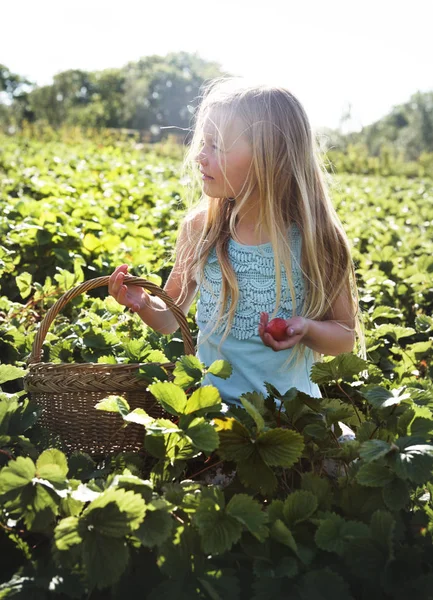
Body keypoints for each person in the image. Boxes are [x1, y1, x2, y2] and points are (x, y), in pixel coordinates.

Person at [108, 78, 365, 407]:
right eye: (204, 142)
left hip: (291, 416)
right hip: (215, 411)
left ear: (268, 158)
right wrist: (143, 304)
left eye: (217, 146)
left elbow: (344, 336)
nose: (200, 156)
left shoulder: (317, 240)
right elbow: (169, 319)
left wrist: (306, 328)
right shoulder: (201, 229)